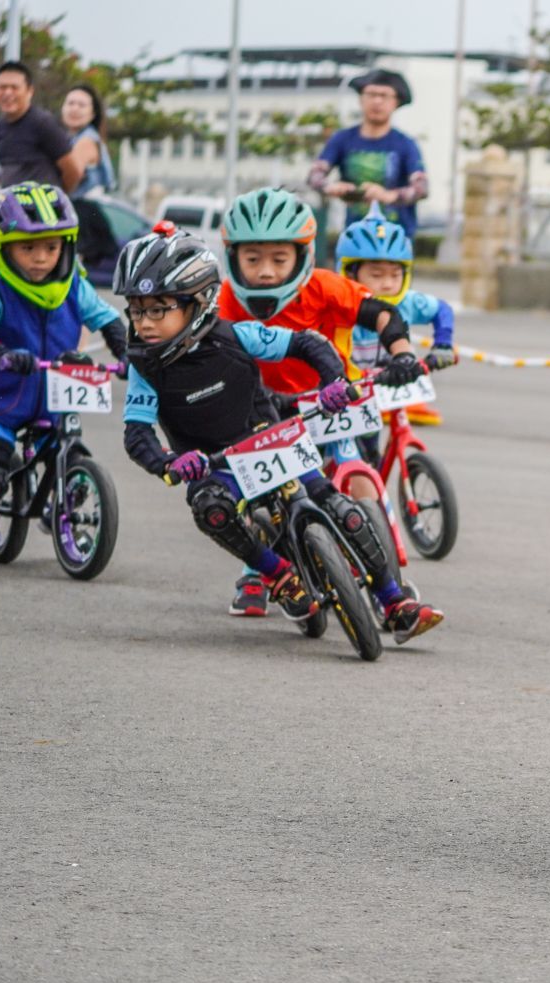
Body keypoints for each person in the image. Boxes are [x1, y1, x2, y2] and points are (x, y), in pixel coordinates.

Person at [115, 226, 443, 645]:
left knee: (343, 509)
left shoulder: (235, 335)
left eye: (158, 310)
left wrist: (332, 381)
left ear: (197, 303)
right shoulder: (144, 368)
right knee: (211, 509)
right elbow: (136, 434)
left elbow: (307, 344)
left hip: (271, 436)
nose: (144, 323)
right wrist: (167, 462)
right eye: (137, 311)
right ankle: (276, 574)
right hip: (218, 464)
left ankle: (394, 602)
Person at [215, 186, 433, 625]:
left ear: (302, 255)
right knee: (258, 493)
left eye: (279, 259)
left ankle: (386, 584)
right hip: (265, 411)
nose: (265, 272)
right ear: (233, 256)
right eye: (252, 259)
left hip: (331, 401)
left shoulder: (324, 287)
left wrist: (404, 353)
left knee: (359, 479)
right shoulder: (226, 299)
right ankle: (254, 571)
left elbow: (383, 313)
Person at [0, 183, 127, 546]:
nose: (40, 258)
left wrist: (125, 354)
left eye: (51, 247)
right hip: (1, 404)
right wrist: (1, 355)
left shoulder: (73, 287)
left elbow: (108, 320)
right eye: (27, 247)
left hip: (55, 402)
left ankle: (62, 504)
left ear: (66, 245)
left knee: (77, 455)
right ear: (4, 247)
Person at [336, 203, 455, 428]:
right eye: (377, 275)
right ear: (350, 273)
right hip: (346, 392)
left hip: (396, 382)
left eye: (395, 274)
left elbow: (442, 310)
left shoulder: (407, 301)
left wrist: (443, 344)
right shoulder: (338, 304)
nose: (388, 284)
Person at [308, 68, 428, 237]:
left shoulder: (406, 144)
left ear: (396, 102)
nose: (377, 101)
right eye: (371, 94)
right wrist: (331, 187)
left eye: (384, 95)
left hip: (396, 240)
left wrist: (388, 196)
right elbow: (315, 175)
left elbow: (421, 188)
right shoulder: (342, 139)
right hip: (354, 237)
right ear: (360, 99)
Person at [0, 61, 81, 191]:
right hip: (13, 208)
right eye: (2, 87)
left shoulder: (43, 123)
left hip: (41, 209)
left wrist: (57, 199)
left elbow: (72, 171)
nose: (8, 93)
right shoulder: (0, 126)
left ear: (29, 91)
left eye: (14, 88)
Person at [60, 84, 121, 276]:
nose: (75, 109)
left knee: (70, 275)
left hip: (82, 214)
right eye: (70, 103)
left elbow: (69, 178)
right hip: (81, 212)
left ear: (93, 113)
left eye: (81, 105)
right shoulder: (72, 138)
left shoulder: (86, 140)